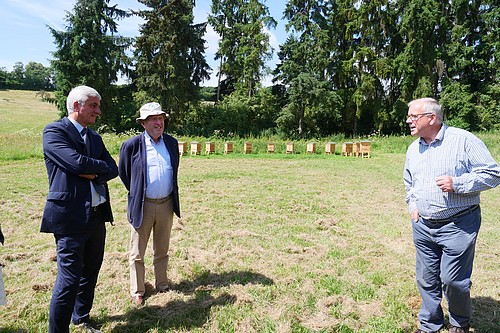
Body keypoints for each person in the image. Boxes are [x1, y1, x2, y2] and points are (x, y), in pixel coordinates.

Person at [403, 98, 500, 333]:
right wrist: (413, 206)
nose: (408, 121)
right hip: (423, 225)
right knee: (426, 279)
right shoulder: (414, 147)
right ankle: (430, 324)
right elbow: (409, 182)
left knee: (453, 280)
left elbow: (493, 173)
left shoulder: (463, 140)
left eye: (413, 117)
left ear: (431, 118)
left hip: (458, 224)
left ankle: (459, 322)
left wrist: (458, 183)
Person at [41, 85, 118, 333]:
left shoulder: (94, 137)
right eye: (94, 105)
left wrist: (89, 171)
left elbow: (113, 168)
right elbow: (75, 162)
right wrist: (90, 168)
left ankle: (81, 318)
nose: (99, 111)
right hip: (70, 218)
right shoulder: (54, 131)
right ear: (77, 106)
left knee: (90, 273)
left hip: (96, 216)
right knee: (69, 280)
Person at [118, 102, 181, 306]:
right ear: (143, 123)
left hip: (166, 204)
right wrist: (138, 192)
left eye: (161, 118)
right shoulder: (131, 145)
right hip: (142, 205)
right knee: (137, 252)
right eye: (154, 119)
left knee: (162, 249)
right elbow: (125, 173)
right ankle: (137, 290)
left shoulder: (171, 143)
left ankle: (162, 284)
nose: (158, 122)